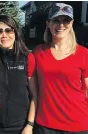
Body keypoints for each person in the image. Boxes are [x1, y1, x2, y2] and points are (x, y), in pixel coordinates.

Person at [33, 3, 88, 134]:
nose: (61, 25)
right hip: (45, 125)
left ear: (72, 23)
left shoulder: (84, 54)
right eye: (56, 20)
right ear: (48, 23)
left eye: (66, 20)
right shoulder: (38, 52)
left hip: (77, 125)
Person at [0, 15, 38, 134]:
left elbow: (35, 96)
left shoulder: (27, 58)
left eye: (8, 30)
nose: (4, 35)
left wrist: (30, 124)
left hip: (22, 127)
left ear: (15, 33)